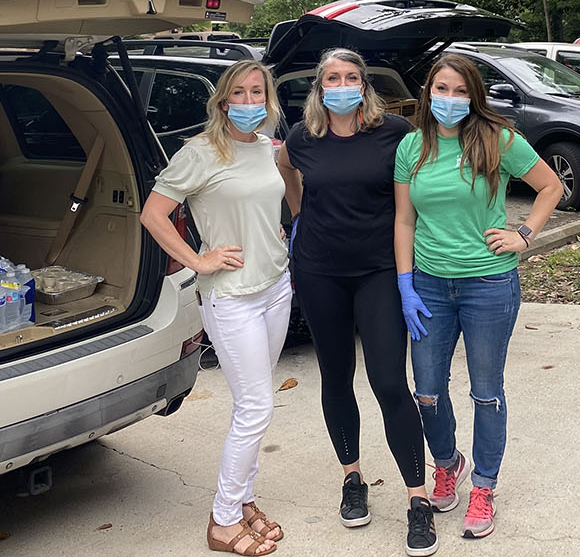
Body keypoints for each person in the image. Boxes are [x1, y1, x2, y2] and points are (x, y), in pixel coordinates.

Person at [393, 52, 564, 541]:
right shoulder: (412, 146)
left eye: (460, 90)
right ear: (428, 93)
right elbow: (404, 220)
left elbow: (550, 187)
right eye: (441, 89)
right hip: (428, 284)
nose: (450, 99)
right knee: (426, 388)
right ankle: (448, 462)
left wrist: (525, 234)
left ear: (474, 95)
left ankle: (484, 486)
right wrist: (405, 283)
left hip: (488, 283)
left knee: (486, 392)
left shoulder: (497, 139)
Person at [276, 47, 438, 557]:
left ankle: (418, 499)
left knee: (390, 382)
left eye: (350, 77)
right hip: (319, 269)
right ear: (320, 89)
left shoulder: (394, 132)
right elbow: (286, 171)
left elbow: (421, 188)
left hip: (379, 270)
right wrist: (302, 218)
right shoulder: (303, 137)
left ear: (363, 86)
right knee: (336, 376)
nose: (341, 85)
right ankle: (352, 478)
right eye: (332, 78)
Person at [140, 60, 291, 557]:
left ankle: (243, 501)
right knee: (256, 408)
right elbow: (153, 214)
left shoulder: (269, 150)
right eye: (238, 94)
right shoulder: (200, 153)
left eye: (258, 93)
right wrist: (197, 262)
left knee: (256, 401)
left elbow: (288, 199)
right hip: (231, 298)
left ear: (268, 100)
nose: (249, 103)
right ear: (222, 101)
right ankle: (223, 520)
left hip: (276, 288)